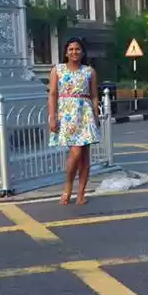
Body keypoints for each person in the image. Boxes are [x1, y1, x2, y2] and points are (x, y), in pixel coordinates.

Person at [48, 38, 100, 205]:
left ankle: (81, 193)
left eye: (77, 49)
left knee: (84, 156)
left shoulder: (89, 71)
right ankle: (68, 186)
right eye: (71, 49)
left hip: (85, 114)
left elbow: (94, 96)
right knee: (75, 152)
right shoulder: (57, 70)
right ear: (66, 52)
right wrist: (52, 117)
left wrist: (96, 116)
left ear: (82, 52)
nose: (74, 52)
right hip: (67, 114)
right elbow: (53, 94)